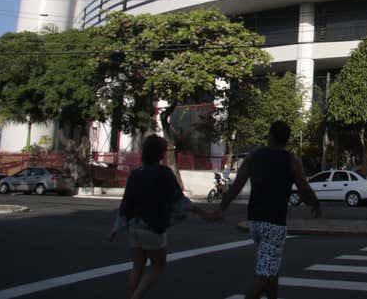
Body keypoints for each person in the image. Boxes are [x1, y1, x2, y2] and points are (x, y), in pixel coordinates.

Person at [207, 120, 320, 299]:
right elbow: (303, 188)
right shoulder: (292, 160)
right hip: (274, 223)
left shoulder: (254, 156)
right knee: (266, 274)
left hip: (255, 222)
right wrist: (315, 204)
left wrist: (222, 207)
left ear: (270, 136)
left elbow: (237, 185)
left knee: (270, 269)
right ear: (287, 140)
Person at [109, 135, 205, 299]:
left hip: (134, 226)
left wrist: (116, 229)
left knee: (137, 266)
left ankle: (131, 295)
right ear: (160, 154)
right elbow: (179, 200)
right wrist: (203, 213)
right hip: (152, 226)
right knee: (158, 266)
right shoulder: (163, 173)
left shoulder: (135, 174)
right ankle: (136, 297)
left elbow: (126, 204)